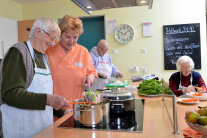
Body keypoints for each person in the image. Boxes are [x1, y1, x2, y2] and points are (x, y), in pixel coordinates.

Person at [0, 17, 69, 138]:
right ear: (38, 32)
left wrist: (62, 111)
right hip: (20, 129)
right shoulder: (18, 53)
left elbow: (41, 94)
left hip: (42, 128)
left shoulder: (44, 58)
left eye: (55, 40)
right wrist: (48, 99)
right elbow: (10, 93)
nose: (53, 44)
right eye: (52, 38)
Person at [46, 15, 97, 110]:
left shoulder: (83, 52)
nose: (71, 41)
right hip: (55, 109)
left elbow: (92, 73)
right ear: (60, 34)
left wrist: (90, 77)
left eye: (75, 37)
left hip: (78, 106)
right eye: (68, 37)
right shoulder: (49, 51)